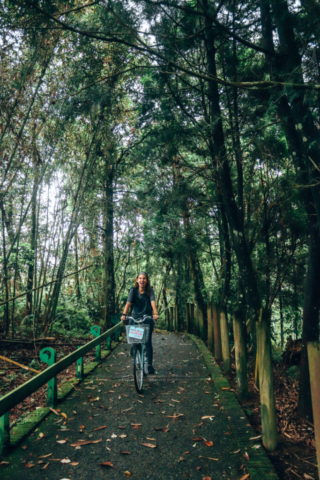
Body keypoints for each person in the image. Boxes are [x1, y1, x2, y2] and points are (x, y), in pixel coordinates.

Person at [121, 272, 159, 374]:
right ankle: (135, 348)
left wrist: (155, 313)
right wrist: (124, 314)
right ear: (137, 280)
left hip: (146, 317)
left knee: (147, 341)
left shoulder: (149, 290)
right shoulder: (133, 291)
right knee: (134, 339)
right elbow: (128, 303)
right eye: (140, 278)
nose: (142, 280)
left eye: (144, 278)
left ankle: (149, 365)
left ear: (146, 280)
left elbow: (152, 302)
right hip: (134, 317)